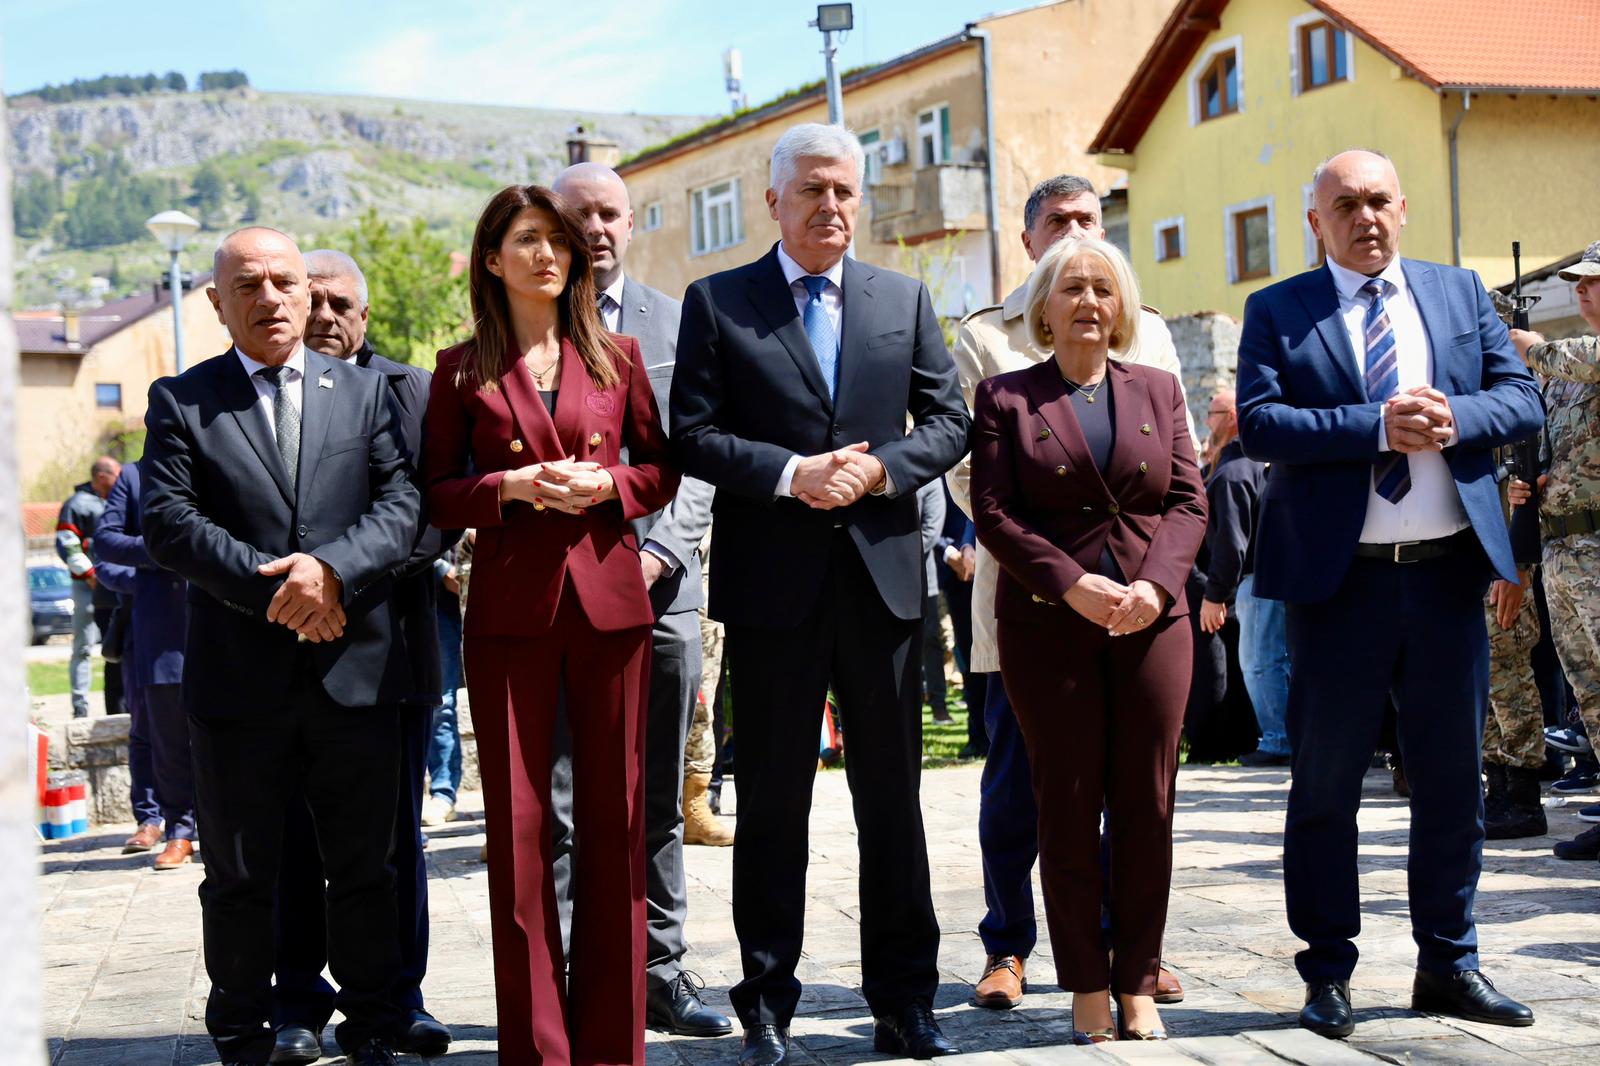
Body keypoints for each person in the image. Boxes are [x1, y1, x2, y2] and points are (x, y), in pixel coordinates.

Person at [671, 122, 969, 1064]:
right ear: (774, 201)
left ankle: (905, 1001)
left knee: (894, 805)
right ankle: (765, 1001)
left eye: (844, 190)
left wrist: (881, 470)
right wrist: (791, 473)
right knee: (770, 807)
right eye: (811, 190)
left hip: (883, 587)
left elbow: (951, 421)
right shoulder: (719, 301)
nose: (830, 206)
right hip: (774, 592)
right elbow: (693, 433)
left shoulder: (901, 297)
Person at [1236, 149, 1543, 1039]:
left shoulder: (1457, 292)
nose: (1364, 218)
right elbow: (1260, 423)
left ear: (1403, 208)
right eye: (1345, 205)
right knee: (1326, 787)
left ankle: (1449, 962)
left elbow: (1520, 397)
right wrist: (1374, 425)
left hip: (1447, 575)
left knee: (1451, 784)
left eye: (1378, 201)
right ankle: (1327, 969)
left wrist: (1455, 416)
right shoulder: (1279, 308)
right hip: (1340, 586)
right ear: (1316, 222)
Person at [142, 226, 423, 1066]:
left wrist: (331, 572)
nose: (270, 298)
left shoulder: (366, 393)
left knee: (367, 869)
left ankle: (373, 1023)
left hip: (354, 673)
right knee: (238, 876)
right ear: (216, 302)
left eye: (284, 282)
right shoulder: (182, 400)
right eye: (249, 285)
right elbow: (169, 522)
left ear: (307, 291)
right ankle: (241, 1030)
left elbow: (403, 504)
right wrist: (282, 592)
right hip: (239, 684)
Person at [421, 183, 679, 1066]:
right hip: (508, 613)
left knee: (617, 822)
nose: (548, 255)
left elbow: (661, 469)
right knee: (521, 829)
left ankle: (611, 1046)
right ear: (491, 260)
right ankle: (538, 1049)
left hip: (611, 605)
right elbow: (436, 493)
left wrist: (609, 484)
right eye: (527, 240)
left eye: (558, 241)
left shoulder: (617, 356)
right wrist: (509, 487)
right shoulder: (459, 370)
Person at [946, 174, 1189, 1011]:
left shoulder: (1149, 330)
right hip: (1032, 598)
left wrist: (1150, 583)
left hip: (1141, 601)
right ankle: (1009, 944)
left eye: (1090, 219)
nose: (1078, 233)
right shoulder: (987, 339)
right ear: (1030, 242)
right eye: (1059, 222)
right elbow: (971, 478)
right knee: (1029, 785)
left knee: (1133, 788)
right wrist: (1064, 576)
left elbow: (1173, 473)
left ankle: (1127, 951)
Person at [551, 160, 732, 1034]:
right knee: (558, 799)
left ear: (630, 224)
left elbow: (702, 451)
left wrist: (662, 551)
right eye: (577, 214)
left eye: (609, 214)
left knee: (656, 794)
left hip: (663, 590)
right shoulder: (523, 327)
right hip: (557, 597)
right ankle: (566, 978)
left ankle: (659, 971)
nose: (595, 228)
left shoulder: (678, 321)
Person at [265, 249, 454, 1064]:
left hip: (390, 656)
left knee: (392, 845)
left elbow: (436, 513)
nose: (324, 317)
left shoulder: (413, 391)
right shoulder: (267, 390)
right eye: (313, 300)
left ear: (365, 316)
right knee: (292, 840)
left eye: (341, 304)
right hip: (283, 649)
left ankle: (398, 999)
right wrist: (301, 591)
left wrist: (338, 579)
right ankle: (298, 1004)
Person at [1509, 238, 1600, 858]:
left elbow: (1577, 360)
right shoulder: (1562, 378)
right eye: (1578, 283)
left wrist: (1530, 347)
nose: (1582, 290)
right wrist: (1532, 481)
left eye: (1593, 281)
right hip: (1563, 547)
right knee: (1589, 691)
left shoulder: (1572, 358)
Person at [95, 460, 196, 868]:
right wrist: (160, 555)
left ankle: (223, 828)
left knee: (229, 731)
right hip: (159, 631)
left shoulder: (215, 458)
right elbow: (105, 544)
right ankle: (176, 828)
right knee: (160, 736)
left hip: (222, 619)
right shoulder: (134, 477)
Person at [1197, 388, 1289, 767]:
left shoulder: (1232, 473)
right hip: (1276, 577)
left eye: (1213, 414)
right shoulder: (1260, 465)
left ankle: (1279, 739)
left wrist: (1216, 594)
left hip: (1255, 581)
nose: (1207, 421)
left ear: (1233, 417)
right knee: (1278, 660)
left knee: (1260, 662)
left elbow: (1231, 544)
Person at [56, 457, 122, 719]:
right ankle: (80, 705)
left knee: (116, 644)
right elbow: (67, 543)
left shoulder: (116, 500)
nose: (121, 479)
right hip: (87, 585)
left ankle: (118, 705)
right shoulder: (76, 504)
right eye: (116, 475)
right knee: (83, 646)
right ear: (102, 477)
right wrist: (91, 575)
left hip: (114, 585)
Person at [916, 479, 952, 723]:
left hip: (921, 579)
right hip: (878, 580)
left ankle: (938, 703)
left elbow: (931, 531)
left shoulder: (929, 481)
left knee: (930, 639)